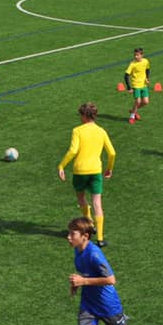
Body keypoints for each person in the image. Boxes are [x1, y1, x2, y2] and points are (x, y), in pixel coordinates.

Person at [58, 103, 115, 247]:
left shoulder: (77, 130)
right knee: (97, 202)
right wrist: (109, 168)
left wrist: (62, 165)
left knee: (81, 198)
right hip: (95, 171)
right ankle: (100, 238)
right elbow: (112, 153)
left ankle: (89, 223)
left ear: (84, 116)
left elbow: (73, 151)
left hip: (80, 171)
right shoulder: (101, 131)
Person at [123, 47, 150, 124]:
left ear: (142, 55)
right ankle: (132, 116)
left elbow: (147, 69)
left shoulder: (146, 61)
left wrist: (147, 78)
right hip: (136, 85)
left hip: (144, 85)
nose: (135, 56)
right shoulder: (132, 64)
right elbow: (126, 75)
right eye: (134, 55)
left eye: (137, 55)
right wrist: (129, 87)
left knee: (146, 102)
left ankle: (133, 111)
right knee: (138, 101)